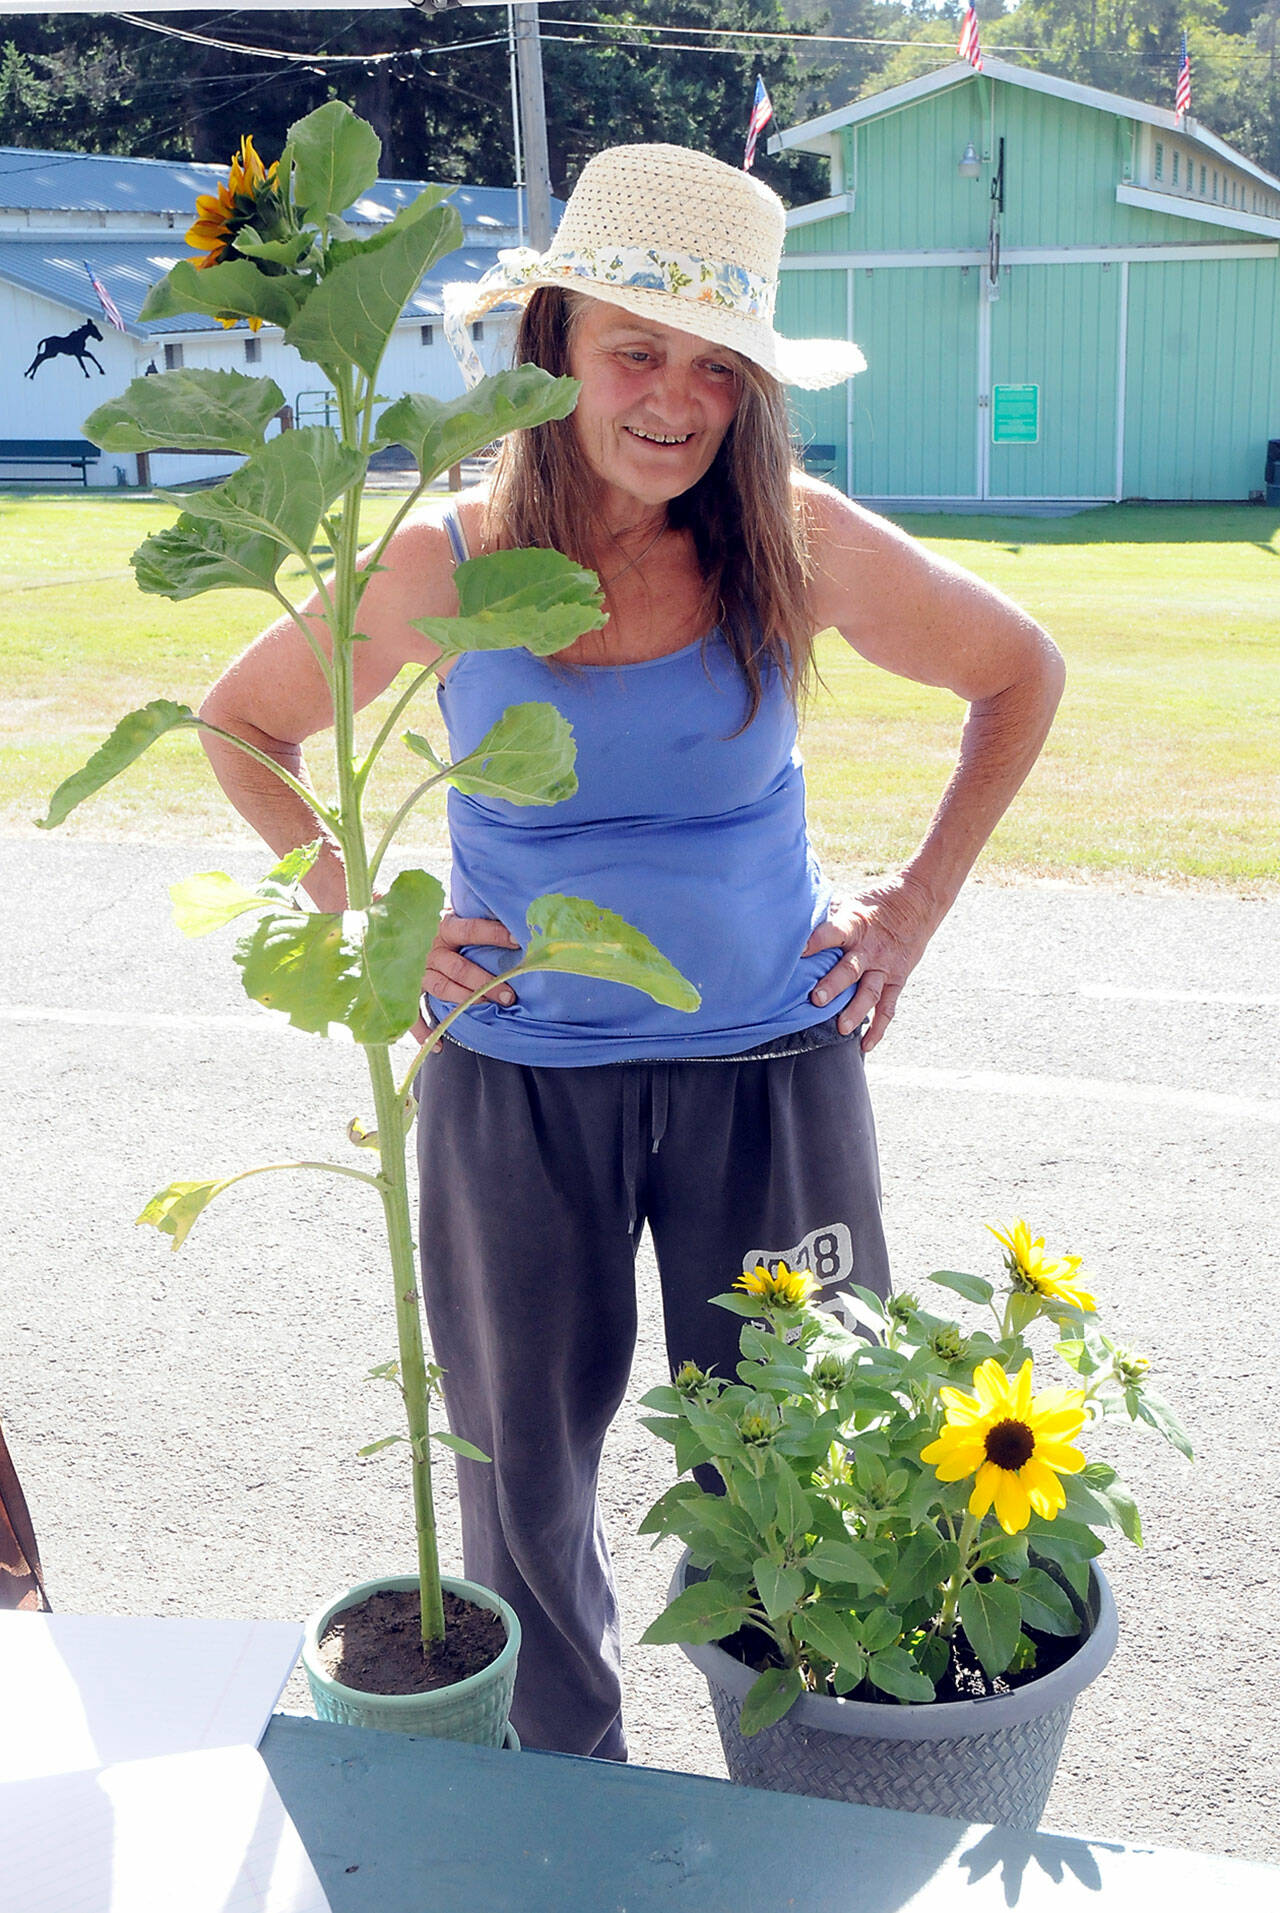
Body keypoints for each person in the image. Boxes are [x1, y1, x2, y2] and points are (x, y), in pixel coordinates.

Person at [199, 144, 1064, 1762]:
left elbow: (1021, 669)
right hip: (518, 1082)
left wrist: (914, 908)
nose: (675, 401)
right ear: (556, 348)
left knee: (800, 1452)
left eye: (717, 370)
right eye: (636, 351)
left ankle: (801, 1768)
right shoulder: (442, 563)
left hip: (771, 1072)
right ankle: (573, 1792)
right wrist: (362, 909)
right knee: (522, 1464)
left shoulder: (790, 540)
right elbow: (238, 721)